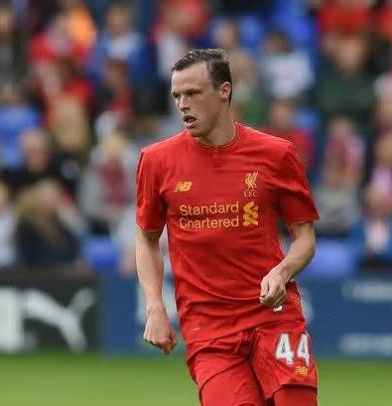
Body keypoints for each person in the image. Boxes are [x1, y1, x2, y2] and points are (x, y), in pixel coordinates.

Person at [136, 49, 319, 406]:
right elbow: (146, 238)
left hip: (274, 315)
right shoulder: (156, 161)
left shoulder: (276, 154)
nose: (183, 105)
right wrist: (155, 307)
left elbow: (305, 237)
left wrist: (282, 273)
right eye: (177, 96)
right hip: (209, 330)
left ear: (224, 91)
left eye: (193, 93)